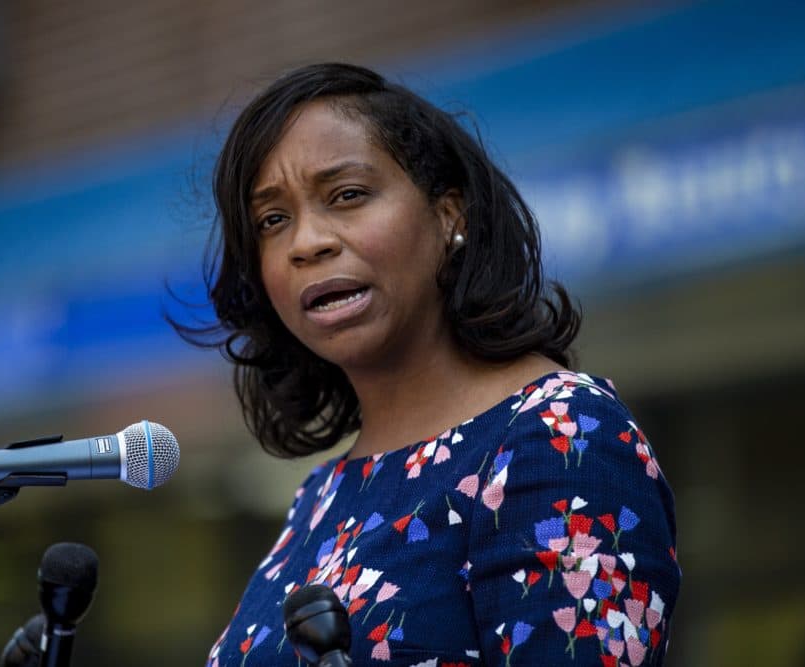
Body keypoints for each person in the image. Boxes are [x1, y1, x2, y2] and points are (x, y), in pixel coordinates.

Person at [184, 63, 680, 666]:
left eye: (347, 195)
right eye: (272, 221)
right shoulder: (322, 494)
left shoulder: (557, 438)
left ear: (450, 215)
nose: (306, 242)